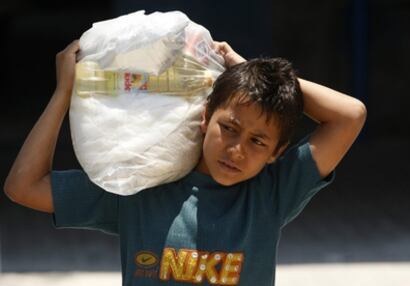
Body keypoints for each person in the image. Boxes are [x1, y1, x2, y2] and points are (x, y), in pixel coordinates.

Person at [4, 39, 366, 286]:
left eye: (258, 141)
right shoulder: (141, 185)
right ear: (205, 116)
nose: (237, 150)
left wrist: (253, 74)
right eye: (229, 127)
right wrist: (63, 92)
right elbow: (23, 186)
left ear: (276, 152)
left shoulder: (272, 193)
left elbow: (350, 115)